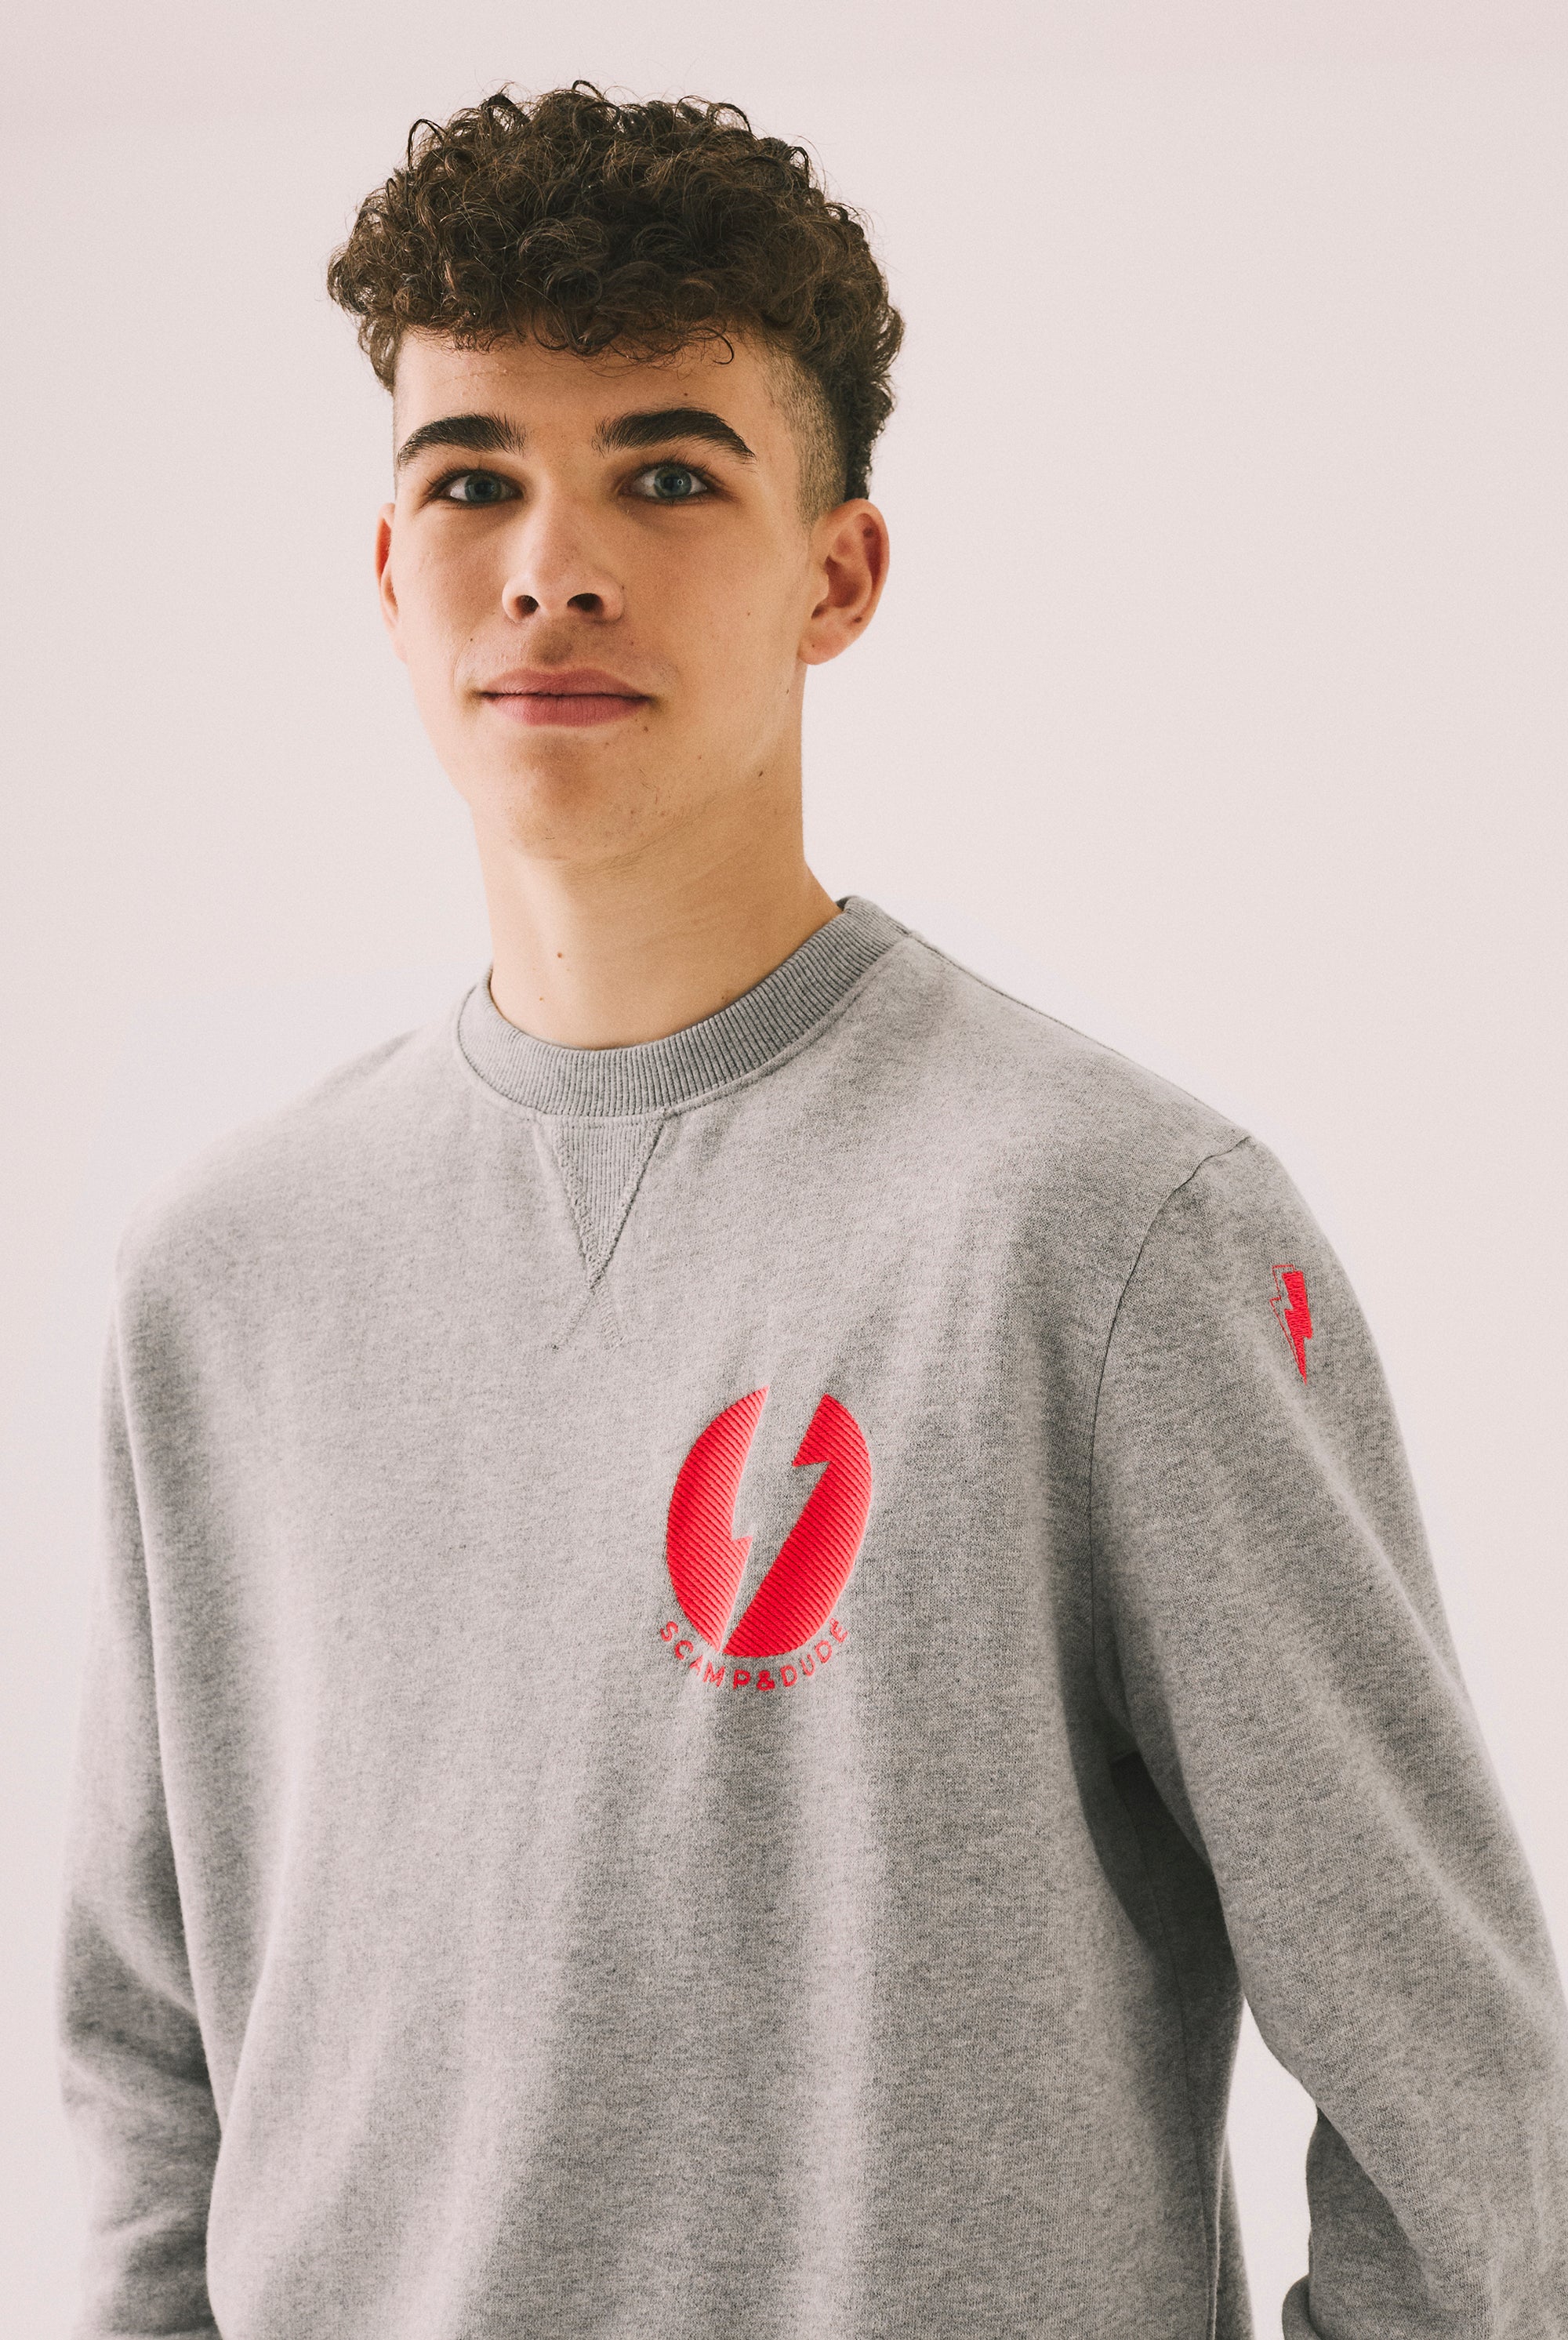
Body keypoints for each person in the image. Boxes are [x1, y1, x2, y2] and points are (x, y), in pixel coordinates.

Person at [55, 83, 1567, 2340]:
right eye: (473, 479)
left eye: (667, 475)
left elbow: (1468, 2120)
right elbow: (147, 2069)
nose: (552, 565)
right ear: (387, 569)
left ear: (837, 574)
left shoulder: (1102, 1232)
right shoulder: (225, 1281)